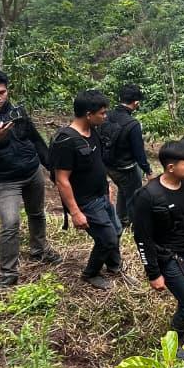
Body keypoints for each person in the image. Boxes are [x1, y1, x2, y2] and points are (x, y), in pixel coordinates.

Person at [0, 67, 60, 287]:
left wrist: (51, 168)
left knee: (37, 213)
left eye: (2, 92)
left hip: (32, 171)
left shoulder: (16, 111)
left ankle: (39, 249)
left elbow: (35, 139)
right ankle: (9, 272)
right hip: (5, 180)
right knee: (10, 223)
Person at [131, 141, 184, 353]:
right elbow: (142, 238)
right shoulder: (148, 196)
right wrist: (153, 273)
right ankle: (175, 342)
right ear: (171, 167)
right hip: (172, 258)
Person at [50, 89, 121, 290]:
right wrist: (75, 212)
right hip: (86, 201)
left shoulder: (92, 132)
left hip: (101, 195)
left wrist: (107, 185)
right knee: (106, 239)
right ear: (88, 114)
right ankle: (91, 273)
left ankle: (115, 267)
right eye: (102, 113)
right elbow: (61, 180)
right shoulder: (66, 140)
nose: (105, 116)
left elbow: (96, 162)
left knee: (116, 230)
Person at [101, 84, 153, 227]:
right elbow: (139, 152)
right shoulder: (133, 124)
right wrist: (148, 170)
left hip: (107, 165)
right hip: (125, 167)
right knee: (134, 196)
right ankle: (136, 225)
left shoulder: (106, 116)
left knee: (124, 190)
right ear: (136, 103)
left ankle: (121, 219)